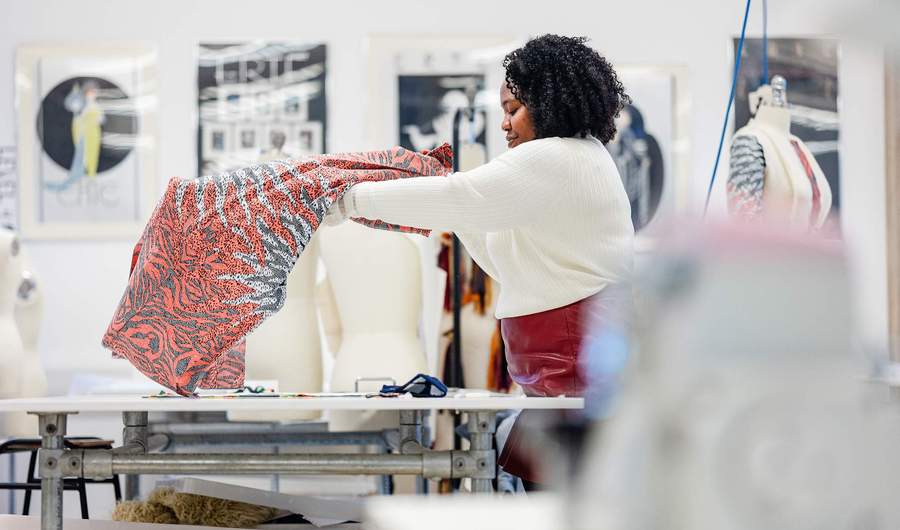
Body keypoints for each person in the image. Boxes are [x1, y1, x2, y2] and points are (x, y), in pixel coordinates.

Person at [329, 34, 634, 487]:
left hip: (571, 366)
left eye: (513, 110)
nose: (505, 126)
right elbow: (500, 258)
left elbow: (462, 195)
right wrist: (455, 211)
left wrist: (349, 199)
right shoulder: (575, 160)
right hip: (558, 369)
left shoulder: (558, 157)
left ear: (550, 103)